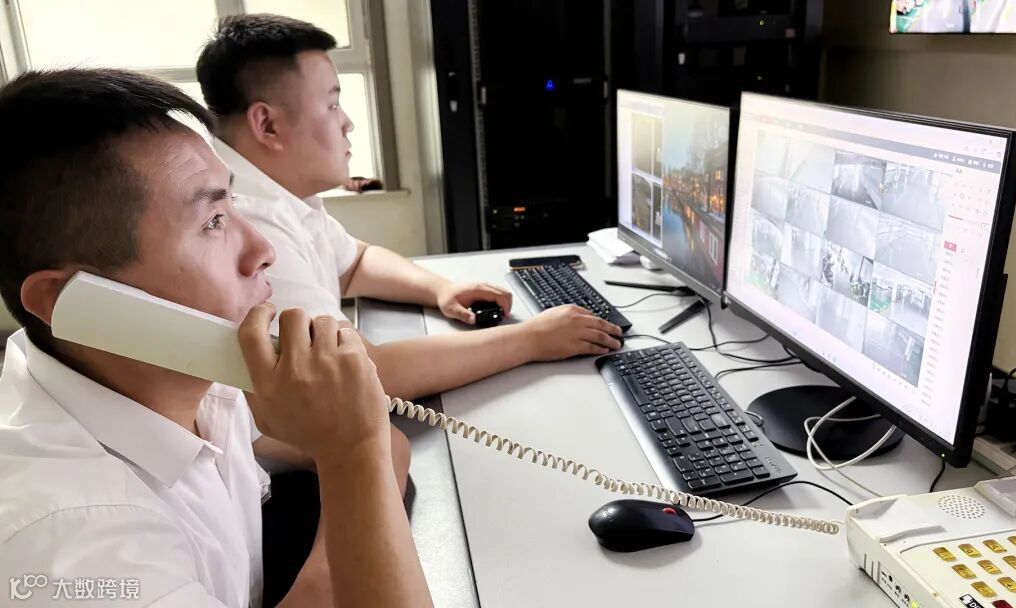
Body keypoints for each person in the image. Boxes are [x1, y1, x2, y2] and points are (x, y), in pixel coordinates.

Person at [0, 68, 430, 607]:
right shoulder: (73, 550)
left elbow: (385, 443)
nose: (263, 250)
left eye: (233, 208)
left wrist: (353, 452)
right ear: (71, 303)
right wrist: (352, 456)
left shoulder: (178, 373)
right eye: (212, 222)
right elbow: (371, 449)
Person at [195, 14, 624, 404]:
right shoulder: (247, 223)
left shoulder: (277, 194)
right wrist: (531, 340)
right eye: (331, 104)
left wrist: (439, 289)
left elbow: (354, 263)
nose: (347, 122)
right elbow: (367, 374)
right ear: (267, 124)